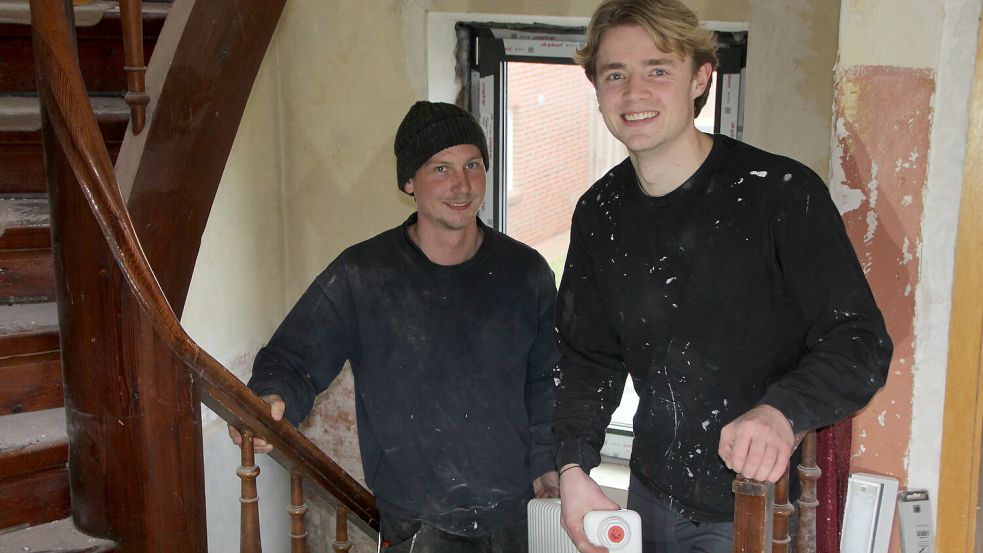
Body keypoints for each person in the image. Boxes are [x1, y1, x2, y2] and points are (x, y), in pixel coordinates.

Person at [552, 1, 893, 551]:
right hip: (653, 493)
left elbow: (860, 340)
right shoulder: (601, 213)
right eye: (615, 75)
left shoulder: (779, 194)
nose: (635, 93)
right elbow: (587, 358)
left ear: (700, 78)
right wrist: (572, 465)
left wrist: (782, 411)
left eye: (658, 70)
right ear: (596, 88)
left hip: (759, 499)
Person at [229, 101, 560, 552]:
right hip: (415, 525)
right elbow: (292, 358)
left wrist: (548, 466)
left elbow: (545, 381)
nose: (461, 184)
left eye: (473, 165)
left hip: (515, 517)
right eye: (440, 168)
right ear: (409, 182)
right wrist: (270, 397)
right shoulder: (363, 276)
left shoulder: (525, 273)